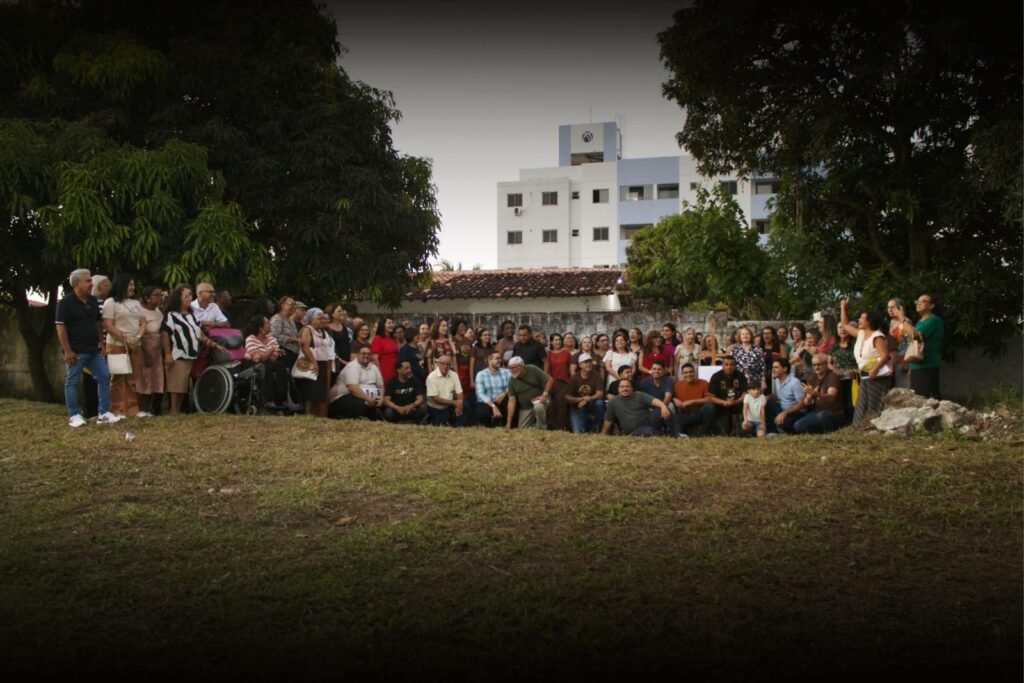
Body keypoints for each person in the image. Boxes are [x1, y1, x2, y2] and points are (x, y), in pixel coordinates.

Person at [56, 269, 121, 426]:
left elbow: (97, 322)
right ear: (77, 283)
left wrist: (101, 341)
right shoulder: (65, 303)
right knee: (72, 381)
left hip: (93, 349)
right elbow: (61, 328)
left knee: (104, 377)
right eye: (88, 281)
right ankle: (74, 415)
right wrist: (67, 350)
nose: (91, 283)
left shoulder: (92, 301)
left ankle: (103, 412)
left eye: (91, 280)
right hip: (76, 350)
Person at [162, 285, 225, 416]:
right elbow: (165, 334)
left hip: (190, 354)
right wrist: (167, 353)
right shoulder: (171, 315)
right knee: (176, 386)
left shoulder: (193, 316)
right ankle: (173, 410)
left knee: (183, 385)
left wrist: (215, 345)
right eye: (186, 296)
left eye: (190, 295)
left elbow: (200, 335)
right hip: (177, 353)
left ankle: (178, 410)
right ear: (178, 299)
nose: (189, 298)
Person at [841, 298, 893, 424]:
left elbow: (885, 355)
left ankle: (872, 429)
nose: (859, 320)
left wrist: (875, 369)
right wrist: (843, 307)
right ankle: (859, 428)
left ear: (869, 321)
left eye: (862, 318)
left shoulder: (877, 336)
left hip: (877, 376)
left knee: (874, 405)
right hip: (865, 376)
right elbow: (845, 325)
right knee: (861, 405)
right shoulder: (861, 334)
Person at [102, 273, 146, 418]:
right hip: (116, 344)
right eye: (130, 284)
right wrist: (126, 338)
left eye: (133, 285)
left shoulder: (135, 303)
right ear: (122, 285)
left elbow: (143, 322)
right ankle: (117, 409)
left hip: (135, 344)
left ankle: (133, 409)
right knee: (118, 378)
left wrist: (138, 337)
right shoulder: (111, 302)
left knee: (132, 378)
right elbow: (108, 325)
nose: (133, 288)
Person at [243, 314, 289, 409]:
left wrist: (263, 354)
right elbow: (256, 357)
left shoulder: (272, 339)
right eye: (268, 323)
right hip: (253, 365)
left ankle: (282, 399)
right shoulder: (250, 339)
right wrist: (271, 350)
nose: (270, 324)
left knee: (280, 365)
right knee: (266, 366)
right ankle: (268, 400)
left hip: (269, 363)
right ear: (260, 328)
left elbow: (274, 357)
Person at [601, 378, 674, 437]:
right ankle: (665, 435)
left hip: (647, 421)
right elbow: (608, 420)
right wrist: (603, 434)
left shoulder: (639, 395)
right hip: (633, 431)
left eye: (627, 386)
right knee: (649, 431)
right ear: (618, 389)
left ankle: (677, 434)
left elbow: (655, 401)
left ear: (632, 388)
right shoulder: (613, 402)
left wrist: (663, 406)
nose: (625, 389)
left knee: (663, 410)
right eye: (622, 387)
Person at [296, 308, 334, 418]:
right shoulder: (307, 330)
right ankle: (308, 414)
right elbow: (305, 347)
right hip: (312, 363)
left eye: (323, 318)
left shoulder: (322, 331)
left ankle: (319, 416)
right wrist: (314, 362)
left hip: (322, 363)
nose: (322, 320)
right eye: (319, 318)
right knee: (311, 392)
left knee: (320, 394)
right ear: (311, 319)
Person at [792, 354, 844, 434]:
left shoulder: (832, 377)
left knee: (822, 416)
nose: (816, 367)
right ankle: (820, 433)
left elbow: (831, 398)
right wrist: (809, 396)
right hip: (817, 412)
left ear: (826, 365)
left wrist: (815, 393)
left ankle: (830, 433)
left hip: (834, 413)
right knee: (798, 425)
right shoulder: (811, 378)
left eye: (819, 364)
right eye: (814, 365)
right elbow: (806, 402)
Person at [330, 346, 385, 420]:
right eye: (363, 353)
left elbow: (381, 386)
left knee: (382, 403)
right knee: (362, 405)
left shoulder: (374, 368)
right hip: (342, 397)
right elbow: (352, 388)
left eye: (368, 354)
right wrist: (368, 399)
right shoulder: (352, 366)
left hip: (366, 397)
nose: (366, 356)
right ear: (358, 355)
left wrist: (380, 397)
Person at [907, 293, 944, 399]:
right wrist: (911, 367)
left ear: (931, 306)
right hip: (917, 365)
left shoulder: (933, 320)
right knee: (918, 399)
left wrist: (902, 318)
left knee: (928, 400)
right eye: (917, 301)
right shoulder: (919, 322)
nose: (918, 303)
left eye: (923, 301)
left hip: (928, 364)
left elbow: (915, 336)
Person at [136, 286, 165, 416]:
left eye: (160, 295)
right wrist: (146, 353)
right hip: (144, 349)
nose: (159, 297)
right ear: (147, 298)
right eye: (156, 295)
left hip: (157, 351)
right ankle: (141, 410)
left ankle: (152, 410)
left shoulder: (159, 311)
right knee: (143, 380)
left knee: (155, 380)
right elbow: (139, 334)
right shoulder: (140, 311)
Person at [505, 356, 554, 430]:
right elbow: (511, 402)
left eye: (514, 367)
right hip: (526, 407)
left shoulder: (532, 369)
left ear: (521, 366)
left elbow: (550, 380)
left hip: (540, 400)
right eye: (510, 368)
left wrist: (544, 395)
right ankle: (536, 428)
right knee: (522, 429)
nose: (511, 370)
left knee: (538, 407)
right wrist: (508, 423)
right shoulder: (511, 381)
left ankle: (542, 429)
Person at [637, 360, 680, 436]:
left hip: (664, 405)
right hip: (649, 408)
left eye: (659, 369)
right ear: (651, 370)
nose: (656, 371)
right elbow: (642, 399)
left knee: (670, 406)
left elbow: (668, 397)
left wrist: (661, 407)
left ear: (664, 371)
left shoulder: (668, 380)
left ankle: (672, 431)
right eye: (654, 369)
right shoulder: (644, 382)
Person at [764, 357, 807, 434]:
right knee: (766, 402)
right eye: (773, 367)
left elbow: (801, 404)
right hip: (782, 409)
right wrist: (767, 397)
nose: (773, 370)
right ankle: (772, 432)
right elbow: (779, 397)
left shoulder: (794, 382)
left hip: (795, 412)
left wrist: (785, 413)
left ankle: (786, 429)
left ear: (785, 369)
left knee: (785, 424)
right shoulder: (777, 379)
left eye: (776, 367)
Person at [565, 352, 605, 433]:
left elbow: (600, 393)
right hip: (577, 406)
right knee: (578, 432)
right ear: (580, 365)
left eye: (590, 362)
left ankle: (594, 427)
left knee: (600, 403)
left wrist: (588, 399)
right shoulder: (574, 378)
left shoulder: (596, 375)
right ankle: (585, 424)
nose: (588, 364)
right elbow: (567, 397)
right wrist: (581, 399)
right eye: (585, 362)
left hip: (591, 403)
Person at [707, 355, 747, 436]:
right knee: (725, 431)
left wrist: (736, 402)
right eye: (726, 364)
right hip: (721, 406)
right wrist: (724, 402)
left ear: (735, 365)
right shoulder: (716, 377)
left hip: (737, 405)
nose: (729, 367)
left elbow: (745, 394)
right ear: (722, 365)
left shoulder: (741, 376)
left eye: (731, 364)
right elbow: (710, 397)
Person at [672, 363, 715, 437]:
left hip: (699, 413)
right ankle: (681, 434)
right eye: (685, 372)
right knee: (676, 417)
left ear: (694, 372)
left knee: (710, 406)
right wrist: (674, 399)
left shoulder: (703, 383)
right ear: (682, 374)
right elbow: (670, 397)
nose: (688, 374)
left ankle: (704, 432)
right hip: (685, 413)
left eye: (691, 372)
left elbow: (710, 399)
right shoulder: (677, 385)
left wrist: (693, 401)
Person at [829, 323, 859, 424]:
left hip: (854, 377)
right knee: (841, 400)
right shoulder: (834, 346)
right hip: (838, 377)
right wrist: (835, 370)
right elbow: (829, 363)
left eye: (844, 327)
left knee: (852, 400)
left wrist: (855, 370)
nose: (842, 330)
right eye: (840, 327)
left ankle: (854, 421)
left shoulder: (855, 344)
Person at [383, 359, 428, 424]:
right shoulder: (391, 383)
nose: (409, 370)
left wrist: (411, 406)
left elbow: (420, 398)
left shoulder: (415, 381)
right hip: (397, 410)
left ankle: (413, 422)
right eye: (406, 368)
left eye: (410, 368)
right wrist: (398, 408)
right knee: (388, 412)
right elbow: (386, 401)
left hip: (411, 409)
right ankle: (397, 423)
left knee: (424, 408)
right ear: (398, 370)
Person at [474, 350, 511, 427]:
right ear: (489, 360)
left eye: (500, 358)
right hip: (487, 402)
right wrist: (493, 406)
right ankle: (487, 426)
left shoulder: (506, 372)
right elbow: (480, 394)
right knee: (482, 412)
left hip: (502, 401)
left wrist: (505, 393)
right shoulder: (481, 374)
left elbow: (512, 386)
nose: (499, 361)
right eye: (497, 358)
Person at [425, 354, 464, 426]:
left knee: (465, 406)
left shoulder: (454, 375)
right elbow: (435, 399)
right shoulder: (431, 377)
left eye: (447, 364)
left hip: (449, 405)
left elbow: (460, 392)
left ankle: (458, 428)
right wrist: (455, 403)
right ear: (438, 364)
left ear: (450, 365)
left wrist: (459, 404)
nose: (445, 366)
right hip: (436, 407)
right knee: (440, 425)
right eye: (442, 363)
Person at [544, 332, 571, 430]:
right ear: (551, 342)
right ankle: (551, 426)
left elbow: (570, 368)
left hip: (564, 382)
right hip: (552, 383)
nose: (558, 342)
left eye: (559, 340)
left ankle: (562, 426)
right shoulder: (548, 353)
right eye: (555, 340)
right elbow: (546, 369)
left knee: (562, 404)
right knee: (552, 404)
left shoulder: (566, 353)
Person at [729, 326, 766, 392]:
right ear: (739, 336)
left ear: (751, 336)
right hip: (738, 380)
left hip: (755, 381)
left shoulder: (758, 349)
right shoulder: (734, 349)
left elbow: (762, 366)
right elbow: (731, 365)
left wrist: (763, 381)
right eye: (742, 334)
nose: (745, 336)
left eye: (747, 334)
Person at [887, 298, 913, 389]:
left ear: (900, 308)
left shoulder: (906, 322)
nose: (890, 310)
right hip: (894, 360)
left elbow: (910, 342)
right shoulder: (892, 322)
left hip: (903, 361)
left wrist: (907, 363)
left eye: (892, 307)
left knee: (904, 390)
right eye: (888, 308)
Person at [324, 303, 352, 375]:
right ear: (332, 314)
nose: (342, 313)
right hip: (334, 364)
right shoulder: (327, 329)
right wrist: (341, 361)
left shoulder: (344, 328)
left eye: (342, 310)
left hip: (347, 364)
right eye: (339, 311)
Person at [370, 318, 399, 384]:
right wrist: (379, 373)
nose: (391, 325)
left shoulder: (392, 338)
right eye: (389, 323)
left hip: (394, 368)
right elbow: (375, 358)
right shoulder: (377, 339)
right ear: (383, 325)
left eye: (392, 323)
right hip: (384, 369)